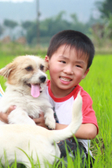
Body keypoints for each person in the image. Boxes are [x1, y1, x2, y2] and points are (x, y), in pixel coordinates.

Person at [35, 30, 98, 165]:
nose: (68, 70)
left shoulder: (81, 98)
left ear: (85, 72)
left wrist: (52, 126)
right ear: (47, 62)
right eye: (63, 61)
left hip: (75, 156)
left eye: (78, 65)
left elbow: (90, 131)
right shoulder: (38, 89)